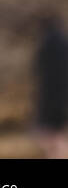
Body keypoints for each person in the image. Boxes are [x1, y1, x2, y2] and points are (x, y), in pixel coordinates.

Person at [33, 12, 68, 158]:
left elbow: (37, 70)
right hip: (62, 96)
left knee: (51, 137)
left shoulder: (45, 45)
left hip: (49, 97)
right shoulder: (64, 43)